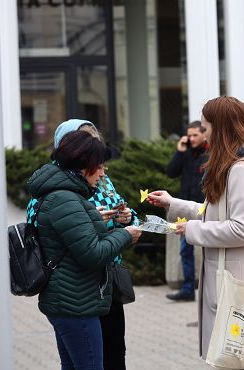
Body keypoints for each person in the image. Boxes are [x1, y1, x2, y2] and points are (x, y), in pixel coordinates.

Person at [147, 96, 244, 369]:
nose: (204, 132)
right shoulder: (242, 165)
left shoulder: (241, 170)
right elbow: (217, 213)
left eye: (206, 126)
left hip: (243, 287)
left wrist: (192, 229)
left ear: (221, 128)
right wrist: (174, 204)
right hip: (239, 284)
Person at [27, 130, 142, 369]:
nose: (102, 173)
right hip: (74, 303)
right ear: (83, 165)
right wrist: (124, 234)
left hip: (71, 299)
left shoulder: (66, 194)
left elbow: (73, 239)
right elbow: (91, 253)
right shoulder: (64, 199)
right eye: (98, 166)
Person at [165, 120, 208, 301]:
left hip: (204, 208)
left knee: (210, 249)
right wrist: (180, 151)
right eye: (189, 135)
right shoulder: (186, 152)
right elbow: (171, 172)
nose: (191, 138)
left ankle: (210, 289)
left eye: (195, 135)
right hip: (185, 209)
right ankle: (188, 289)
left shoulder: (211, 153)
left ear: (204, 134)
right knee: (185, 250)